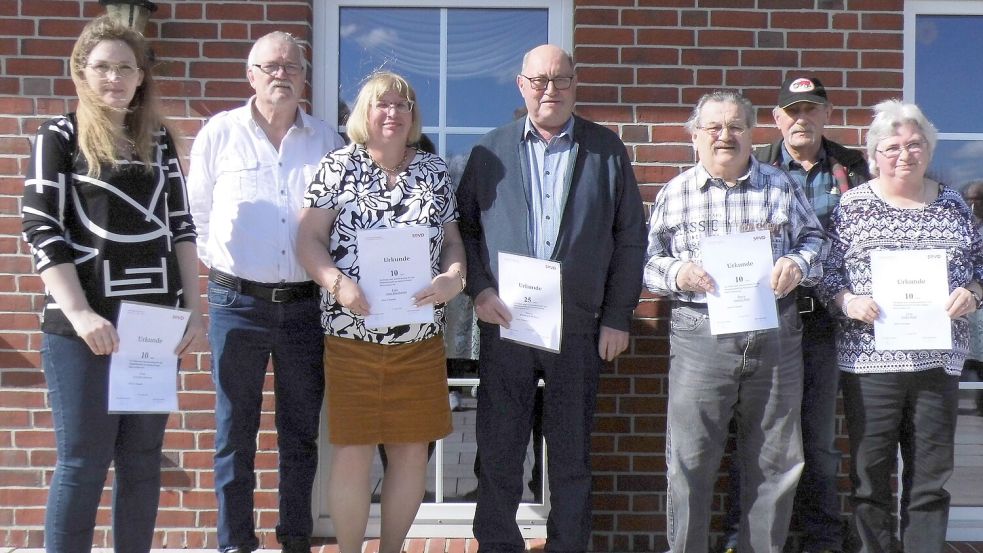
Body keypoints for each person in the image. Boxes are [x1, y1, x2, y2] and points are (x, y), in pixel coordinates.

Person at [21, 16, 203, 552]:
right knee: (83, 462)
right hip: (84, 328)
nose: (114, 79)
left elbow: (182, 229)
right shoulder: (58, 136)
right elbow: (40, 224)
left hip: (152, 326)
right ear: (81, 72)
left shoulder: (161, 141)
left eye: (126, 68)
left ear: (141, 76)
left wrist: (193, 310)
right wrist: (80, 314)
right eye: (102, 67)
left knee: (143, 462)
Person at [457, 44, 646, 553]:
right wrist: (479, 289)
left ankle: (568, 545)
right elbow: (466, 232)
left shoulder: (605, 150)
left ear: (575, 84)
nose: (550, 90)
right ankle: (498, 543)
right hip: (507, 323)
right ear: (521, 85)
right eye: (539, 80)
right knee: (498, 449)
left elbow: (630, 237)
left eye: (561, 80)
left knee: (570, 451)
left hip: (579, 325)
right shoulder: (488, 151)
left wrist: (617, 316)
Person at [645, 90, 826, 553]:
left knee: (777, 460)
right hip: (699, 336)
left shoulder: (780, 186)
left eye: (736, 127)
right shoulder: (676, 191)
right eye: (714, 128)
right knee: (689, 462)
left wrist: (799, 265)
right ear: (695, 136)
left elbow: (817, 241)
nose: (725, 136)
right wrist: (678, 272)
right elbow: (646, 263)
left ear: (750, 133)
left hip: (775, 333)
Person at [186, 31, 344, 553]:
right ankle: (236, 543)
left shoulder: (326, 142)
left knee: (300, 432)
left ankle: (295, 539)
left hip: (304, 306)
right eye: (270, 66)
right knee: (235, 431)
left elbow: (341, 224)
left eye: (292, 67)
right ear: (250, 75)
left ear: (304, 78)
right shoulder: (219, 134)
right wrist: (228, 266)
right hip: (238, 304)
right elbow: (197, 215)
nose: (282, 74)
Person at [296, 71, 465, 553]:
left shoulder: (433, 170)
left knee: (411, 453)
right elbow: (309, 239)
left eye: (403, 104)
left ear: (413, 116)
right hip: (352, 337)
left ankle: (391, 549)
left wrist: (454, 278)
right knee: (353, 452)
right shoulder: (337, 167)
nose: (393, 113)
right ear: (364, 114)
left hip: (419, 339)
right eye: (382, 104)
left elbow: (452, 241)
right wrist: (335, 282)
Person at [817, 100, 983, 553]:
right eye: (892, 147)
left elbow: (980, 267)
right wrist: (848, 300)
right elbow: (827, 275)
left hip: (938, 360)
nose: (904, 154)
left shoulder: (952, 204)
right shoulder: (851, 206)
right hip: (870, 363)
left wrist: (973, 293)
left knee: (930, 477)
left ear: (928, 149)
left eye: (914, 144)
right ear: (874, 154)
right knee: (870, 476)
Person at [721, 75, 870, 553]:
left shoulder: (855, 168)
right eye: (792, 111)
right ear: (777, 119)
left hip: (829, 322)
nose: (801, 119)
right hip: (767, 316)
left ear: (826, 115)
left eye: (811, 109)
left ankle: (822, 539)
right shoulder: (755, 163)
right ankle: (746, 536)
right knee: (755, 433)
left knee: (820, 439)